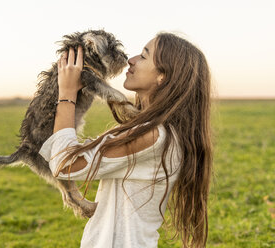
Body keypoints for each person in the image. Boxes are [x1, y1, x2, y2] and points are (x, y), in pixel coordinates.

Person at [39, 32, 213, 248]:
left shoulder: (151, 136)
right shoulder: (160, 132)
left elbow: (64, 164)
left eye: (144, 56)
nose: (131, 60)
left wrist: (66, 94)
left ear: (163, 76)